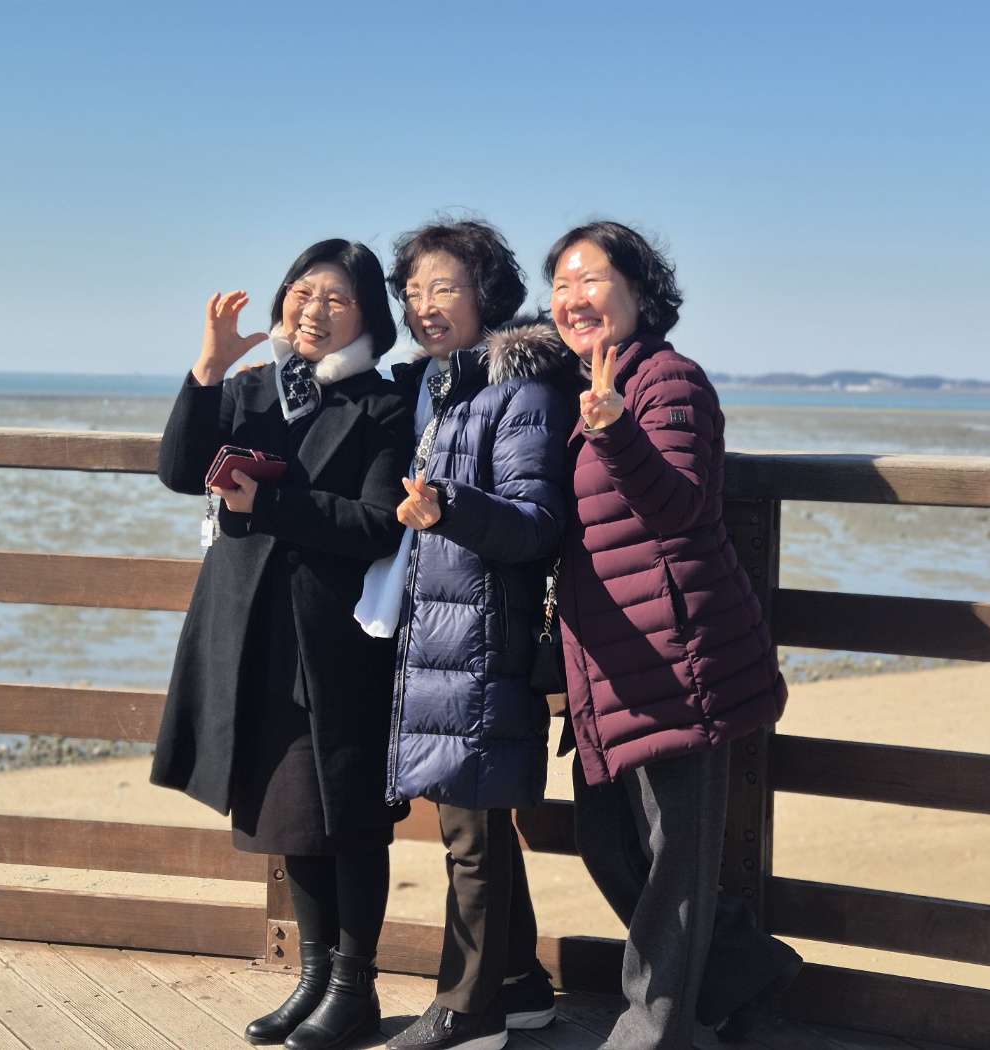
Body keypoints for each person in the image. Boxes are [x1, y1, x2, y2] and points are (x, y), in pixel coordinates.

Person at [545, 221, 804, 1050]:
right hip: (609, 662)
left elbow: (682, 504)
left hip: (678, 656)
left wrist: (616, 428)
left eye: (591, 279)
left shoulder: (669, 380)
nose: (573, 299)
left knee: (673, 861)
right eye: (560, 286)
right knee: (610, 846)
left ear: (639, 292)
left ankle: (653, 1032)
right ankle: (748, 970)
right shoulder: (580, 386)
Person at [151, 239, 413, 1050]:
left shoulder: (384, 406)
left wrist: (267, 506)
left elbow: (378, 525)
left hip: (335, 637)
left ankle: (355, 989)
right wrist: (207, 369)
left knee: (350, 816)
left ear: (368, 316)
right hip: (250, 629)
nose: (313, 310)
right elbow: (178, 470)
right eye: (303, 292)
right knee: (292, 815)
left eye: (336, 298)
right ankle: (313, 978)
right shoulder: (251, 388)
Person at [382, 219, 576, 1050]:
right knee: (474, 818)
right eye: (413, 292)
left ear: (486, 294)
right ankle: (520, 985)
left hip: (485, 635)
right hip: (439, 631)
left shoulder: (521, 392)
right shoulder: (438, 388)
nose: (425, 306)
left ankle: (467, 1011)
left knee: (469, 828)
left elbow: (538, 523)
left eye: (445, 288)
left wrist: (451, 508)